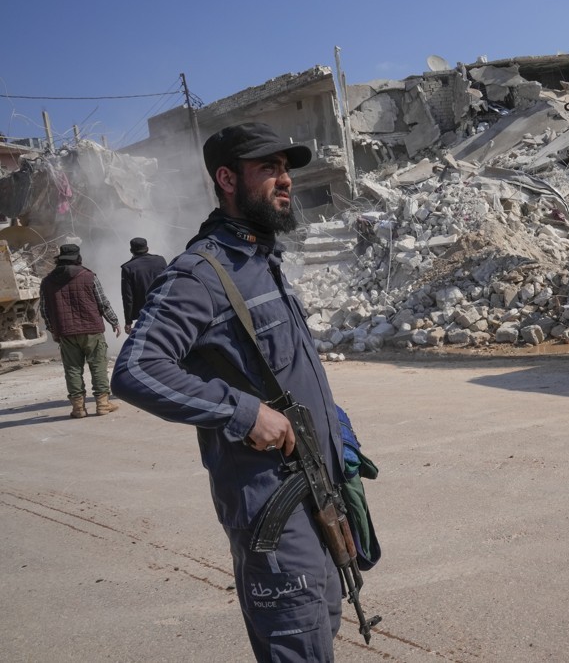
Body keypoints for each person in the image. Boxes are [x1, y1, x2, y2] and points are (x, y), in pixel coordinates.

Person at [111, 122, 348, 662]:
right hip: (272, 510)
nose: (284, 179)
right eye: (269, 168)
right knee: (299, 647)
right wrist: (243, 413)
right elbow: (136, 369)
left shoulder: (262, 262)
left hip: (317, 492)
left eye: (285, 168)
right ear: (226, 179)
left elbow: (276, 367)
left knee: (321, 630)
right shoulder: (201, 273)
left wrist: (335, 423)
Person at [40, 243, 122, 418]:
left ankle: (78, 408)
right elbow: (102, 303)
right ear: (78, 258)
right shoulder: (88, 276)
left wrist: (53, 330)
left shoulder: (47, 281)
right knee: (98, 365)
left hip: (66, 332)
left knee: (72, 369)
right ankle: (102, 404)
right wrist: (114, 321)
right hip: (91, 329)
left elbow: (45, 310)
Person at [120, 237, 167, 333]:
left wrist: (128, 322)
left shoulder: (128, 268)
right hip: (164, 309)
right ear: (147, 248)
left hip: (144, 314)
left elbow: (128, 298)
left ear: (131, 250)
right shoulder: (161, 260)